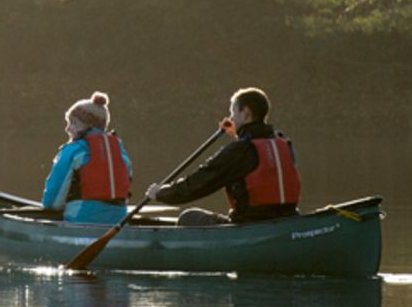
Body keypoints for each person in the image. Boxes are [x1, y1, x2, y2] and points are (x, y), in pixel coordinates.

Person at [145, 86, 301, 226]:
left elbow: (199, 183)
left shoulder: (239, 151)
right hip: (288, 220)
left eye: (233, 113)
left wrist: (161, 193)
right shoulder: (284, 143)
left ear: (246, 114)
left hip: (250, 225)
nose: (231, 119)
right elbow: (257, 155)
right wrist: (240, 135)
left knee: (189, 216)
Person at [41, 92, 132, 224]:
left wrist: (51, 208)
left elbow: (53, 201)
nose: (67, 128)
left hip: (81, 218)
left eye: (72, 123)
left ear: (87, 126)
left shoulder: (73, 150)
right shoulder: (119, 150)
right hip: (118, 220)